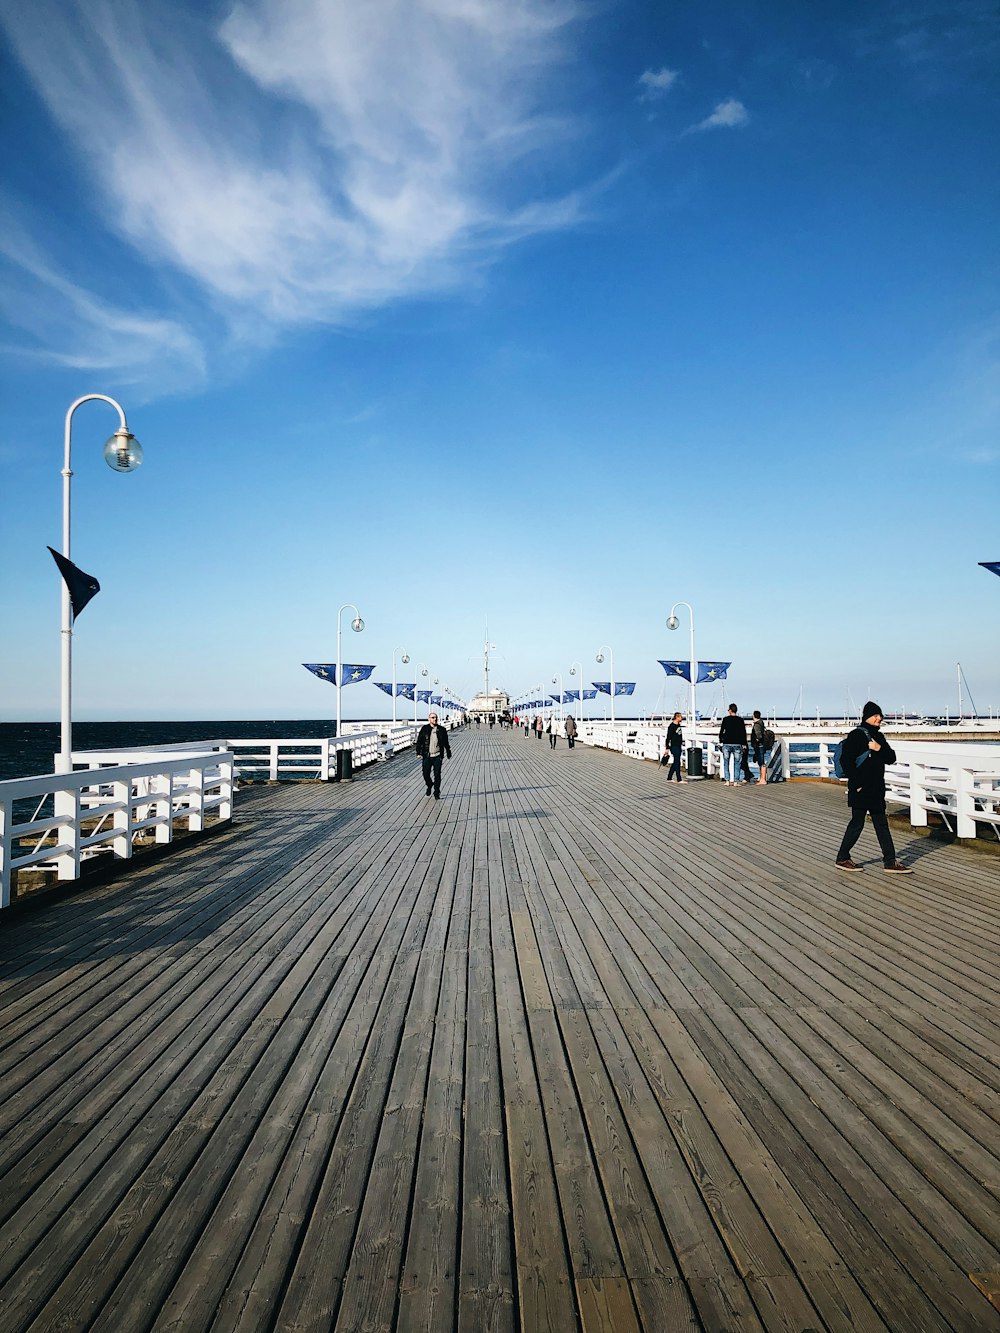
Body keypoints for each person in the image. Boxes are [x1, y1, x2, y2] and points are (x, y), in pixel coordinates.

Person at [836, 702, 912, 873]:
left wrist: (878, 749)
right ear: (866, 717)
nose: (879, 718)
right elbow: (845, 761)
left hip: (876, 787)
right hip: (861, 788)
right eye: (875, 715)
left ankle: (890, 862)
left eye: (880, 715)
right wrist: (857, 783)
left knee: (881, 824)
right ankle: (842, 857)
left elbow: (891, 758)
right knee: (857, 823)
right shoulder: (856, 735)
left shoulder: (879, 737)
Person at [415, 710, 452, 800]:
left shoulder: (442, 730)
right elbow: (419, 741)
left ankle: (436, 792)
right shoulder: (424, 729)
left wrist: (448, 752)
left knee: (437, 774)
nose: (435, 719)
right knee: (425, 774)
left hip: (437, 756)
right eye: (432, 718)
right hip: (427, 756)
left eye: (436, 718)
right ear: (429, 719)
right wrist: (418, 753)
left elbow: (446, 742)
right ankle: (430, 785)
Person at [718, 703, 748, 786]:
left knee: (726, 762)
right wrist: (744, 743)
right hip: (737, 743)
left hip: (727, 743)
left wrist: (721, 739)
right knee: (737, 763)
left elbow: (721, 731)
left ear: (730, 710)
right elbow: (743, 733)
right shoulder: (740, 720)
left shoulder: (725, 719)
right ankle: (735, 781)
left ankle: (727, 780)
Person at [750, 711, 770, 784]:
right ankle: (761, 778)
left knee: (761, 762)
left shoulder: (757, 725)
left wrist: (756, 742)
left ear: (754, 716)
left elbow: (759, 736)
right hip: (762, 745)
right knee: (761, 762)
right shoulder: (761, 723)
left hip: (759, 745)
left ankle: (763, 780)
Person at [664, 712, 684, 782]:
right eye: (681, 717)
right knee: (677, 762)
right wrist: (667, 748)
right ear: (677, 717)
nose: (682, 718)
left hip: (678, 745)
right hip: (674, 746)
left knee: (676, 762)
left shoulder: (678, 725)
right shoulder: (671, 726)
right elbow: (668, 737)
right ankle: (679, 779)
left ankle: (669, 778)